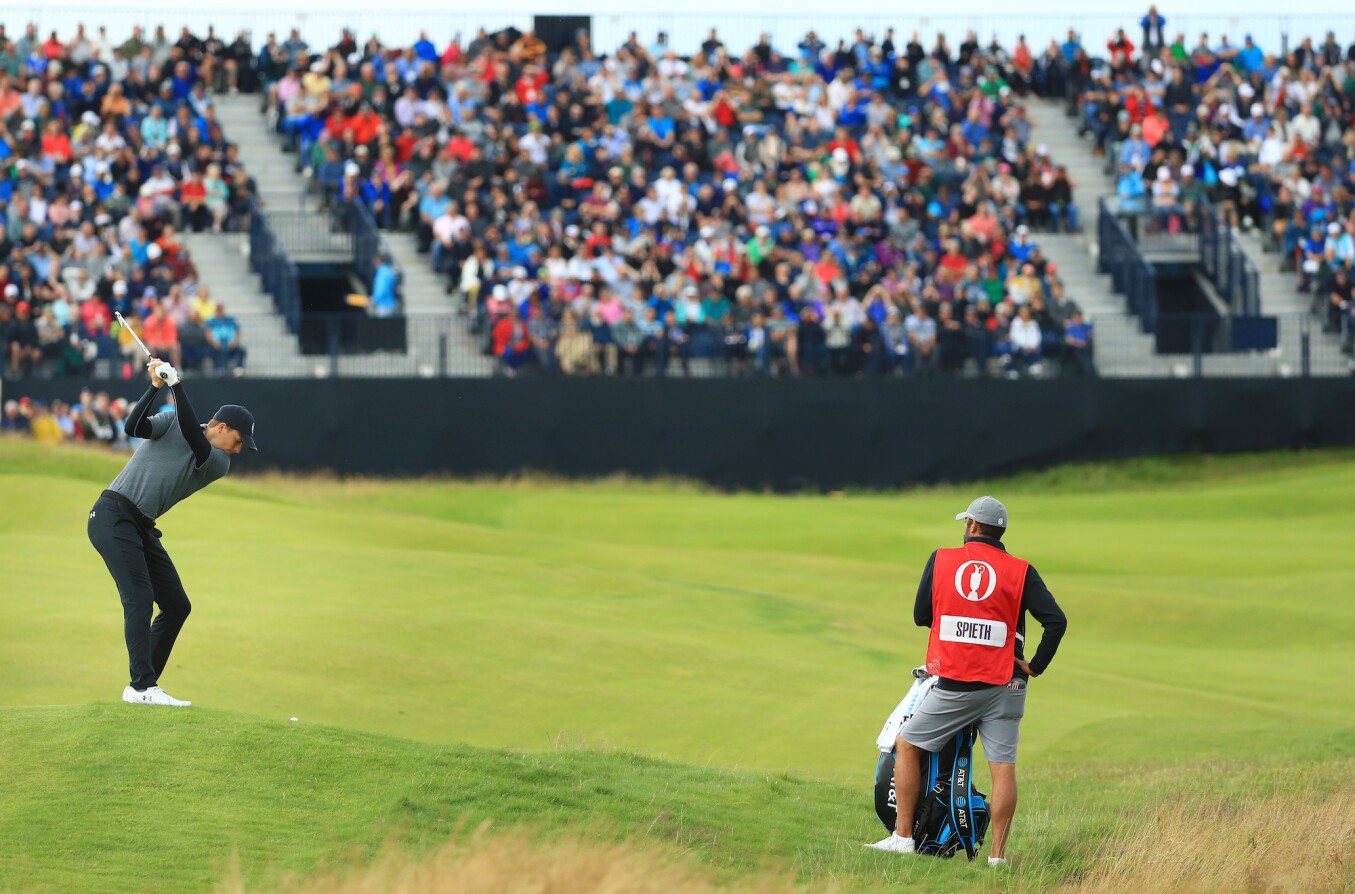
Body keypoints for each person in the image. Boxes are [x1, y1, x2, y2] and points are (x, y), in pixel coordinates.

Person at [868, 496, 1067, 865]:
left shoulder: (942, 559)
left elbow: (920, 615)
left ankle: (904, 837)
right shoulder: (1021, 570)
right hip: (1008, 685)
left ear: (973, 526)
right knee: (1002, 768)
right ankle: (997, 859)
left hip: (958, 684)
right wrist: (1034, 665)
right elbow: (1056, 621)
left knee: (907, 744)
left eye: (966, 523)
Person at [87, 358, 257, 707]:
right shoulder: (173, 422)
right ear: (222, 427)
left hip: (140, 525)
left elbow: (196, 439)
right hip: (112, 513)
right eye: (239, 441)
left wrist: (177, 386)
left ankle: (142, 685)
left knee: (177, 605)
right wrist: (156, 388)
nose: (239, 451)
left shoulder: (218, 462)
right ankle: (142, 687)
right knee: (139, 596)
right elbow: (133, 427)